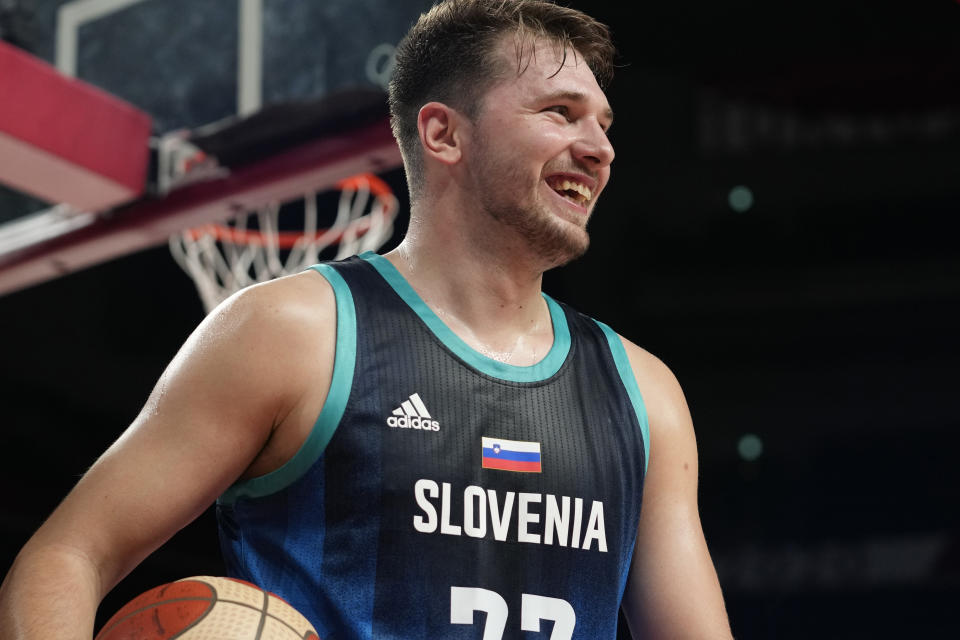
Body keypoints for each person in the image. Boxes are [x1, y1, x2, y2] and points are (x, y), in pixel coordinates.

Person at [0, 1, 733, 638]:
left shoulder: (644, 392)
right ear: (444, 134)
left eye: (604, 124)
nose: (601, 148)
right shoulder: (292, 332)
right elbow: (64, 558)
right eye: (559, 113)